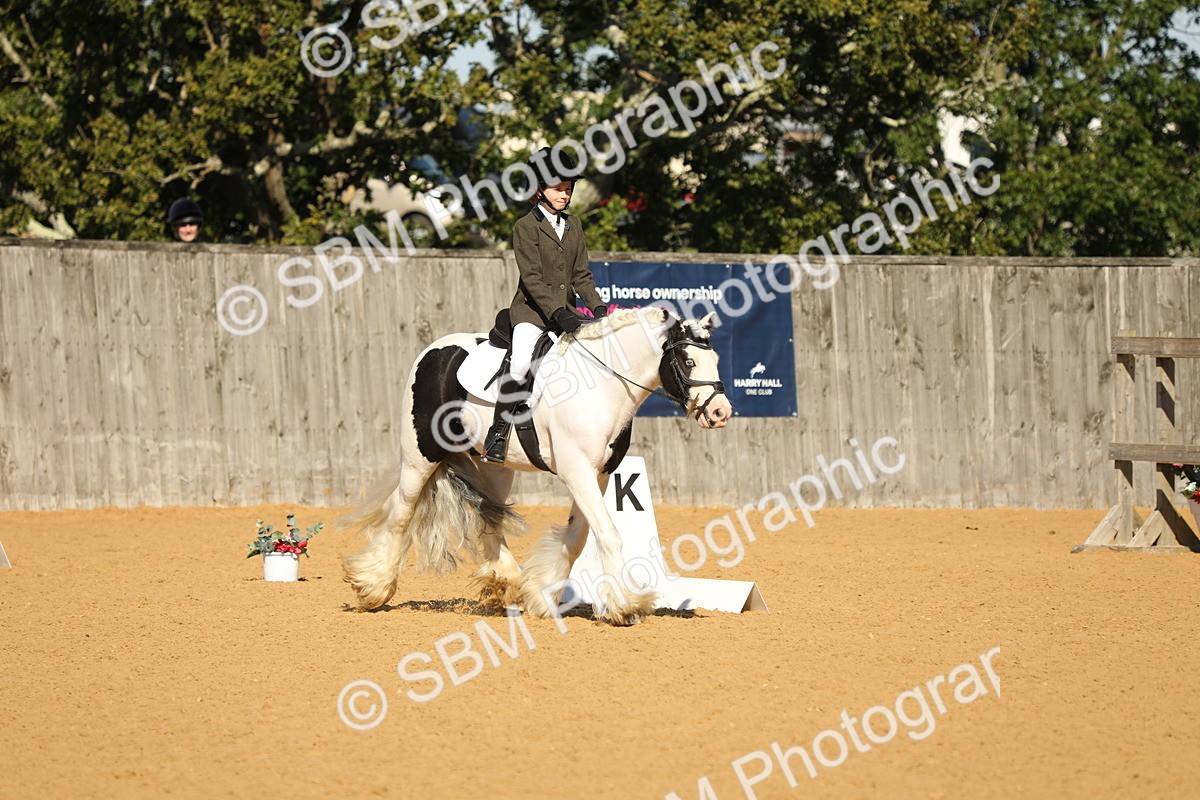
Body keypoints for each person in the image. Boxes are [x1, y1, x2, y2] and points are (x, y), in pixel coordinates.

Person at [481, 147, 608, 464]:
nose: (565, 195)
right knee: (521, 363)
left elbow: (581, 275)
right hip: (532, 315)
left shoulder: (574, 225)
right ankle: (497, 434)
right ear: (539, 189)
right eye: (558, 188)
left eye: (568, 188)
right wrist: (558, 312)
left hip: (567, 316)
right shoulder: (525, 226)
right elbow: (532, 278)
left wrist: (599, 309)